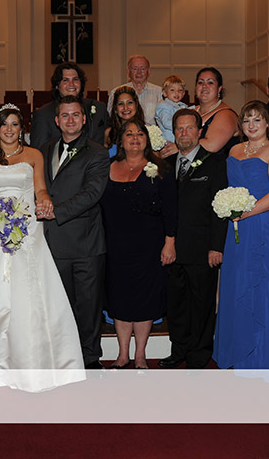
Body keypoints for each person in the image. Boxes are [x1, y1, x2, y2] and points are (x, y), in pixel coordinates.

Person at [0, 104, 84, 392]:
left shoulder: (33, 155)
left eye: (15, 124)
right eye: (5, 124)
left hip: (27, 228)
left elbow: (40, 188)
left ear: (21, 128)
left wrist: (44, 200)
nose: (9, 129)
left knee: (29, 293)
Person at [213, 101, 269, 372]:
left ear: (267, 123)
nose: (251, 125)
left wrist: (246, 212)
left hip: (263, 223)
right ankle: (238, 352)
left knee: (259, 283)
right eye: (246, 121)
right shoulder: (234, 150)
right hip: (236, 226)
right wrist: (231, 209)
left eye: (257, 120)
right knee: (235, 283)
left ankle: (260, 356)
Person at [40, 96, 111, 370]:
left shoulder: (98, 153)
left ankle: (90, 359)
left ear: (84, 119)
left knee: (88, 307)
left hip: (85, 244)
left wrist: (54, 212)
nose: (70, 120)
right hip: (52, 242)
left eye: (75, 115)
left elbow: (92, 194)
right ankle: (63, 358)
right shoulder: (44, 149)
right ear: (57, 121)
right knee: (59, 306)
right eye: (65, 115)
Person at [100, 119, 177, 370]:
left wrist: (170, 242)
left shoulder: (161, 168)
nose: (135, 138)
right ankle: (123, 355)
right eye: (129, 134)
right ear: (120, 141)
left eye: (140, 134)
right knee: (120, 298)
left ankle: (141, 355)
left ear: (147, 139)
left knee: (145, 300)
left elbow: (171, 209)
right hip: (115, 246)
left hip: (149, 246)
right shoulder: (107, 167)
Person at [160, 108, 227, 369]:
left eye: (190, 128)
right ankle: (178, 350)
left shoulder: (215, 163)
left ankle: (198, 355)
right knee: (176, 305)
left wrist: (216, 247)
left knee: (201, 304)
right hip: (172, 249)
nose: (184, 133)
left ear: (200, 132)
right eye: (179, 128)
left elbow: (219, 208)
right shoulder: (165, 165)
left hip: (202, 249)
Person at [158, 68, 238, 158]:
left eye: (210, 82)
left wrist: (179, 147)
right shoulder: (190, 111)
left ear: (219, 88)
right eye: (200, 82)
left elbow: (211, 145)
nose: (204, 86)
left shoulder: (226, 114)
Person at [30, 62, 109, 149]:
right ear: (57, 86)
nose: (71, 84)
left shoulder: (99, 108)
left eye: (75, 79)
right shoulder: (43, 114)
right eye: (65, 80)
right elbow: (38, 151)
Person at [107, 54, 163, 125]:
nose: (139, 72)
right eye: (135, 69)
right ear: (128, 72)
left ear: (149, 71)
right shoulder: (116, 92)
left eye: (143, 69)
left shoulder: (160, 92)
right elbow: (111, 117)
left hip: (152, 131)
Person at [103, 85, 145, 152]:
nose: (125, 107)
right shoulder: (108, 133)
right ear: (115, 109)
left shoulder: (146, 131)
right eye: (121, 104)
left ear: (136, 105)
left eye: (129, 103)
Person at [154, 75, 189, 143]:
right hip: (168, 140)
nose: (176, 93)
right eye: (172, 90)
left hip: (180, 138)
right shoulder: (163, 106)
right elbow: (166, 123)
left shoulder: (182, 105)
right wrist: (182, 126)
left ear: (183, 93)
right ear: (165, 93)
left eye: (180, 90)